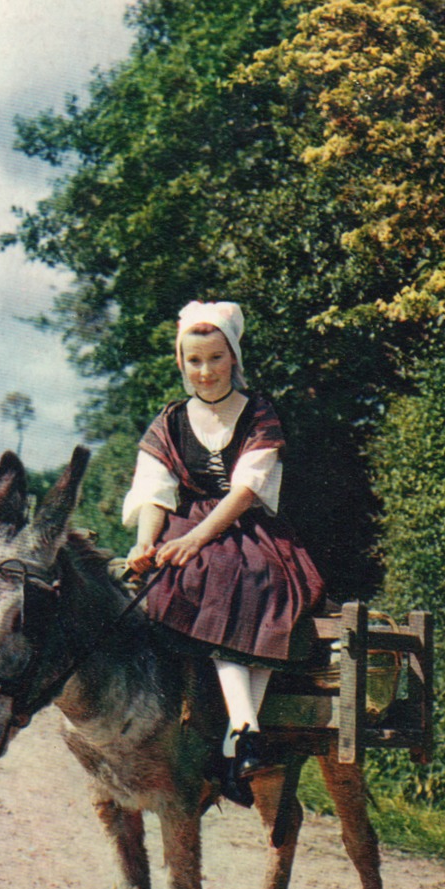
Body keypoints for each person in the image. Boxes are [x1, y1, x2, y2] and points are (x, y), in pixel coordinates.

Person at [123, 300, 325, 805]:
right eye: (195, 361)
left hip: (248, 529)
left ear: (233, 358)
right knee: (200, 579)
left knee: (256, 587)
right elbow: (154, 489)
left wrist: (195, 539)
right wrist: (148, 540)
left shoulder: (257, 413)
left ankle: (240, 735)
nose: (206, 371)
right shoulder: (170, 421)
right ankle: (243, 743)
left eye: (216, 358)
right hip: (188, 526)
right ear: (181, 363)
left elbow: (246, 490)